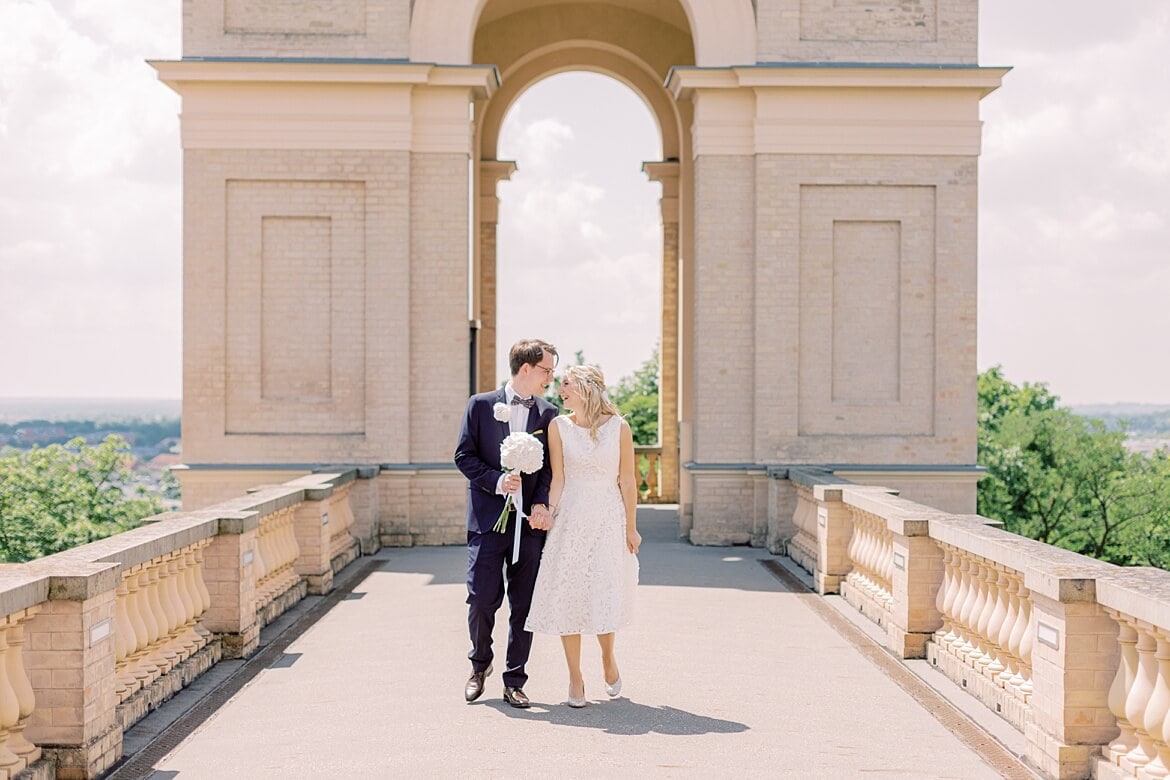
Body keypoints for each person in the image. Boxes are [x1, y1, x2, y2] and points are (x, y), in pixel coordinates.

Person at [524, 364, 641, 708]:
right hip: (571, 518)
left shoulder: (619, 428)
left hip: (608, 517)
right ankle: (575, 677)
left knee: (604, 591)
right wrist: (549, 511)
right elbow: (558, 477)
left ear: (587, 388)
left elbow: (628, 481)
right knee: (569, 594)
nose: (560, 390)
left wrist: (631, 527)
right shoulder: (558, 426)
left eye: (566, 384)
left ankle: (608, 659)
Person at [454, 339, 558, 708]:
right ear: (526, 368)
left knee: (524, 605)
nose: (551, 377)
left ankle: (515, 680)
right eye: (547, 369)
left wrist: (542, 502)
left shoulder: (548, 413)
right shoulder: (481, 405)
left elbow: (549, 468)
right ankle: (479, 665)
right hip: (487, 522)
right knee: (481, 598)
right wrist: (497, 481)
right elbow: (463, 456)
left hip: (528, 524)